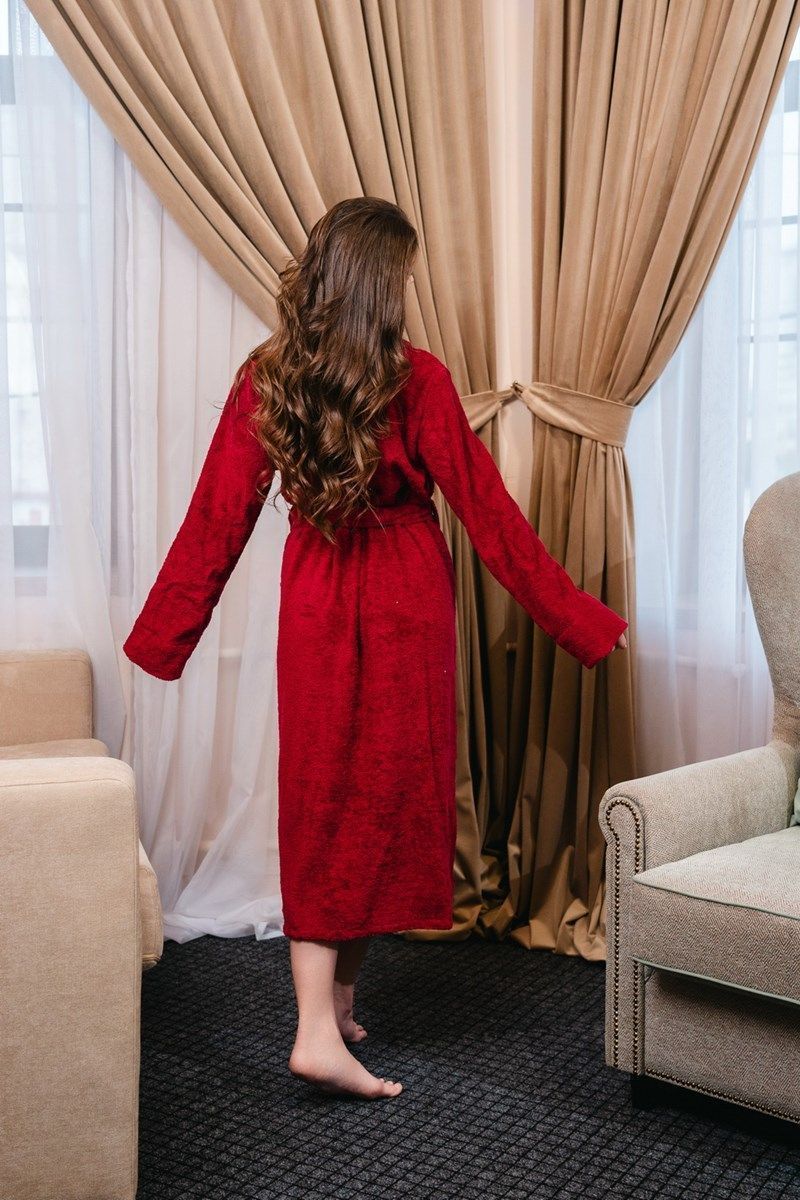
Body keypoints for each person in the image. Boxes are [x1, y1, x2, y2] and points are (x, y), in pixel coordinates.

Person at [123, 196, 628, 1102]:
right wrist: (579, 620)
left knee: (331, 803)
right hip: (405, 600)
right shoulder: (416, 379)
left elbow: (215, 520)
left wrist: (165, 639)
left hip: (317, 598)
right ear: (380, 284)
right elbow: (491, 519)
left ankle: (337, 1004)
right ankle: (314, 1033)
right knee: (375, 801)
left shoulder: (268, 379)